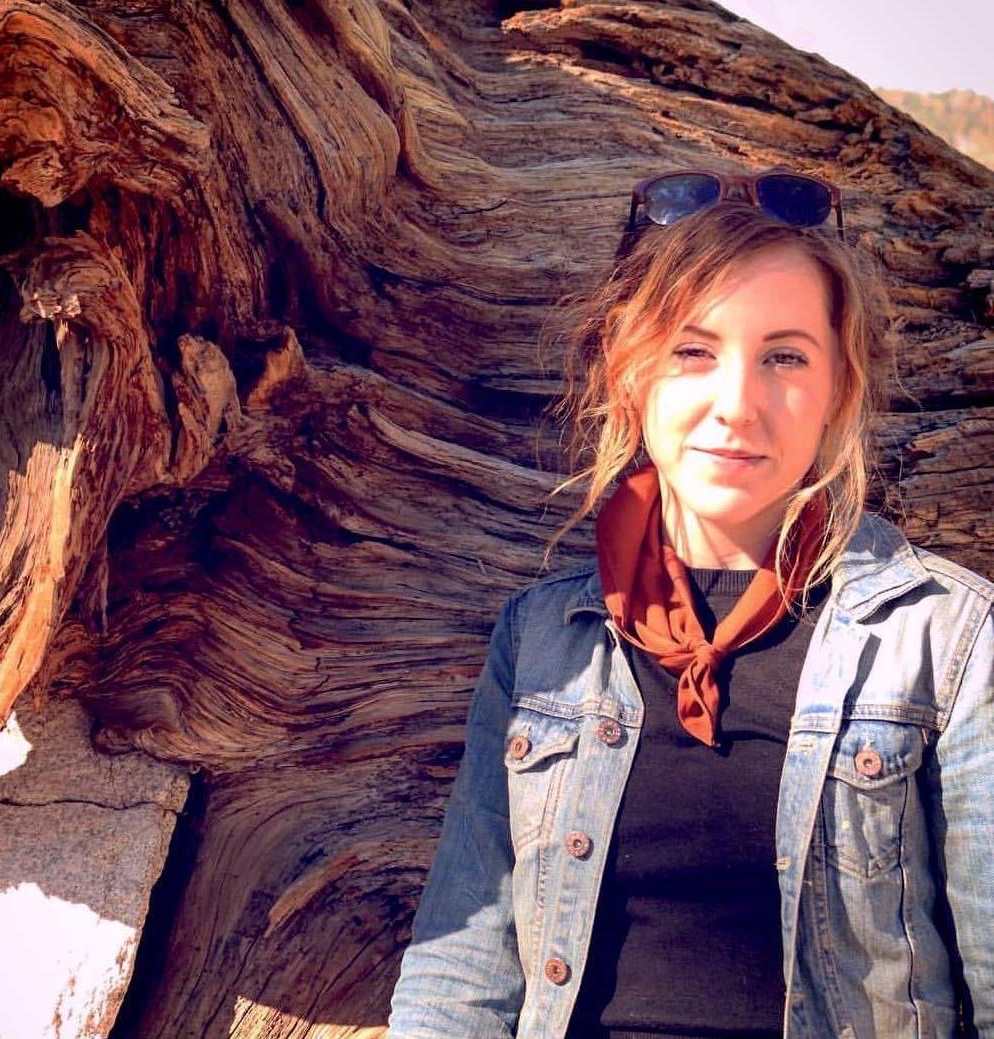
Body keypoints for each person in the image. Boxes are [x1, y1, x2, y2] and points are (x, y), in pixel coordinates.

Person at [386, 168, 994, 1039]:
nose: (735, 405)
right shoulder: (544, 638)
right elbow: (461, 976)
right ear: (627, 371)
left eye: (784, 356)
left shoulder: (947, 639)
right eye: (692, 351)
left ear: (839, 385)